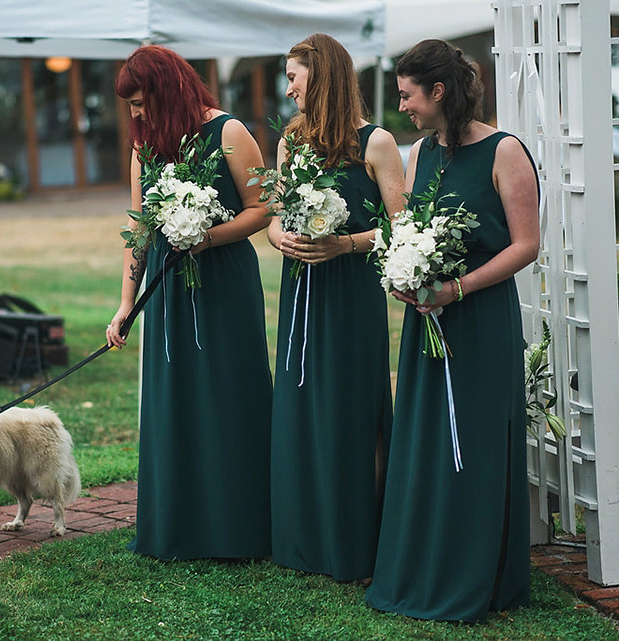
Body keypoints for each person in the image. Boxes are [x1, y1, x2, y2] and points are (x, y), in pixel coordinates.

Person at [364, 39, 540, 622]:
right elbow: (408, 231)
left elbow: (526, 245)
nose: (404, 108)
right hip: (428, 321)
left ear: (438, 91)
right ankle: (426, 564)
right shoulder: (417, 155)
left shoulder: (504, 150)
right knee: (429, 444)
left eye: (408, 96)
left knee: (479, 442)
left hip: (481, 318)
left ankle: (480, 575)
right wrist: (403, 273)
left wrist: (457, 289)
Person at [105, 45, 273, 560]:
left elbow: (262, 210)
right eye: (129, 105)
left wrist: (208, 236)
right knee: (174, 398)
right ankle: (179, 525)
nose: (134, 114)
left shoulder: (229, 133)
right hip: (168, 287)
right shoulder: (144, 149)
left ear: (166, 88)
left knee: (227, 392)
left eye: (139, 102)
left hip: (224, 281)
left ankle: (241, 526)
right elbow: (139, 229)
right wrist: (126, 303)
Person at [267, 34, 405, 583]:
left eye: (294, 76)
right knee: (301, 406)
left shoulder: (376, 144)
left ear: (320, 78)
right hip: (301, 289)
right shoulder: (291, 141)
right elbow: (274, 211)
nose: (288, 87)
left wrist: (344, 243)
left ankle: (362, 542)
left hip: (350, 293)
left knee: (353, 410)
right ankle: (305, 538)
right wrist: (280, 236)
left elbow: (404, 227)